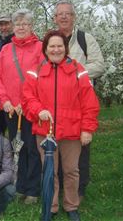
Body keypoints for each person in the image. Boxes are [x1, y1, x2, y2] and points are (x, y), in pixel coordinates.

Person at [22, 30, 100, 221]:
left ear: (65, 48)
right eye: (52, 46)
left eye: (59, 46)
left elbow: (89, 102)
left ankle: (71, 206)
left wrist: (87, 129)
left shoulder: (77, 69)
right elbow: (27, 97)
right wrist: (38, 109)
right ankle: (52, 205)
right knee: (49, 171)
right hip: (45, 131)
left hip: (72, 131)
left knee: (71, 170)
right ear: (46, 49)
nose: (56, 49)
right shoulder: (36, 69)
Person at [54, 0, 105, 200]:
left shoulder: (85, 39)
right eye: (60, 14)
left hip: (80, 100)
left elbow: (99, 65)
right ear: (55, 18)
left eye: (68, 13)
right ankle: (58, 188)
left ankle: (79, 189)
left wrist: (75, 73)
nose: (64, 17)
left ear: (74, 17)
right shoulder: (51, 39)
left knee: (81, 146)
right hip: (57, 102)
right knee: (57, 146)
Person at [0, 9, 43, 204]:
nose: (21, 27)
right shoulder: (6, 50)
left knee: (32, 148)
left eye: (25, 23)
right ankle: (19, 185)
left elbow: (41, 76)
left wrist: (27, 102)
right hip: (11, 110)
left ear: (31, 26)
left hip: (31, 109)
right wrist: (5, 101)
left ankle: (32, 189)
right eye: (18, 23)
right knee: (16, 147)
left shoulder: (40, 48)